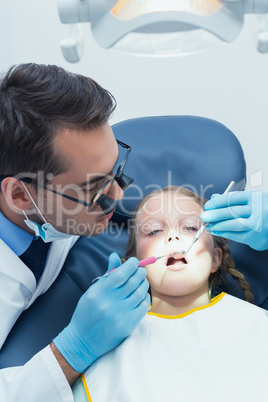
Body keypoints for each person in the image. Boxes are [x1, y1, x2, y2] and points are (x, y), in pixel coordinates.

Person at [0, 63, 150, 401]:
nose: (119, 194)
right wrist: (73, 351)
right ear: (21, 195)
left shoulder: (55, 196)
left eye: (117, 172)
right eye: (95, 190)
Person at [75, 186, 268, 402]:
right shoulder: (107, 343)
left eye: (190, 227)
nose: (173, 237)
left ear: (215, 259)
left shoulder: (258, 324)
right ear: (136, 262)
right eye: (154, 231)